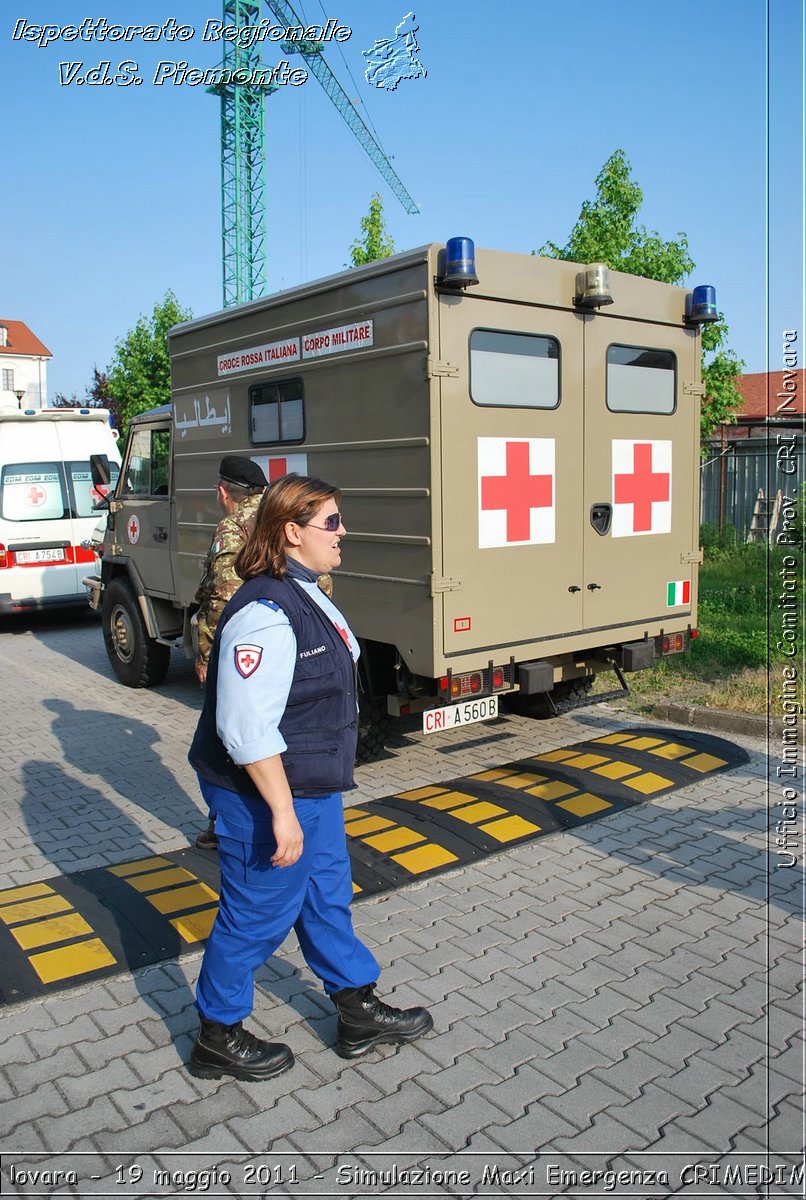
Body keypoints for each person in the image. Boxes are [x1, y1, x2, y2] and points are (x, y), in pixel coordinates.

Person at [186, 474, 433, 1081]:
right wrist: (280, 813)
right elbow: (244, 728)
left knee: (326, 895)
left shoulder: (306, 590)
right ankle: (216, 1033)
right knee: (258, 911)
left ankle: (357, 1011)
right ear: (292, 532)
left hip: (309, 785)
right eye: (331, 522)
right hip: (264, 791)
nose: (342, 531)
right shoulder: (265, 613)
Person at [192, 455, 268, 850]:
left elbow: (224, 598)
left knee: (215, 747)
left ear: (225, 493)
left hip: (242, 656)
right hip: (282, 650)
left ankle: (228, 823)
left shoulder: (234, 525)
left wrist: (207, 657)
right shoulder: (282, 515)